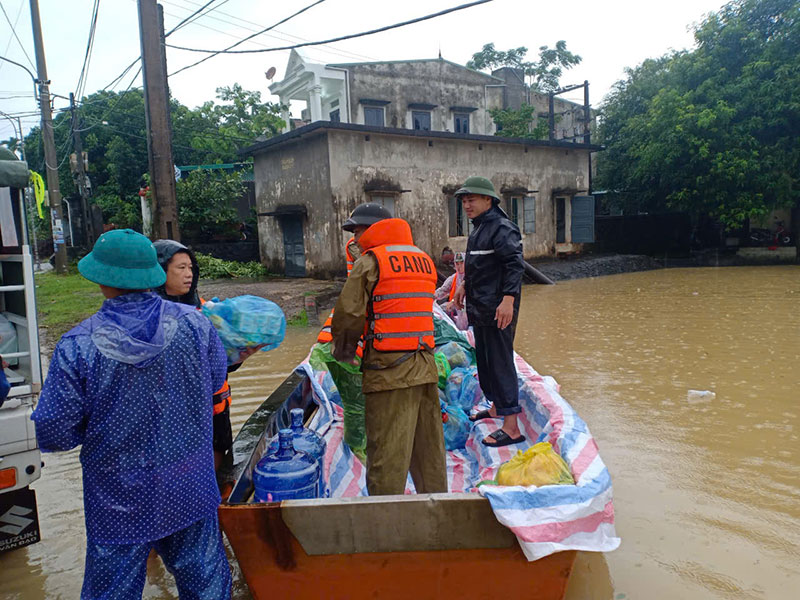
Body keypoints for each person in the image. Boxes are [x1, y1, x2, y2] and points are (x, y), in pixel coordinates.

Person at [31, 229, 231, 599]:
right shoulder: (195, 324)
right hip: (189, 484)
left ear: (101, 280)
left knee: (112, 591)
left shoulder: (78, 345)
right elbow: (215, 378)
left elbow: (54, 431)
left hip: (119, 500)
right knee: (206, 584)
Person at [331, 214, 447, 496]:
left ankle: (384, 522)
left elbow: (348, 314)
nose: (355, 240)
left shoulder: (370, 263)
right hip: (425, 365)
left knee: (386, 452)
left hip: (388, 371)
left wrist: (345, 352)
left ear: (374, 230)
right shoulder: (423, 260)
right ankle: (438, 511)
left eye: (358, 232)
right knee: (428, 451)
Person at [152, 239, 261, 471]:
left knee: (216, 477)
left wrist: (241, 354)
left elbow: (221, 365)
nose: (188, 274)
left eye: (191, 268)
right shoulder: (151, 319)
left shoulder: (205, 310)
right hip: (177, 421)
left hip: (216, 413)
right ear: (160, 271)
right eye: (181, 268)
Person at [453, 176, 526, 447]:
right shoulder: (479, 228)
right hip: (480, 305)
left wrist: (508, 299)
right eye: (463, 200)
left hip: (498, 308)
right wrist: (463, 285)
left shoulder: (502, 227)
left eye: (471, 199)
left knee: (500, 361)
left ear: (488, 200)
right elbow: (480, 265)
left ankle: (512, 428)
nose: (466, 205)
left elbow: (514, 265)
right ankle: (496, 408)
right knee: (484, 359)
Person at [316, 203, 392, 348]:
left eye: (357, 232)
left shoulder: (375, 258)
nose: (356, 240)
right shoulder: (361, 251)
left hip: (383, 347)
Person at [434, 251, 467, 330]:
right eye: (457, 264)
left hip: (467, 310)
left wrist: (453, 302)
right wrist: (429, 297)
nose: (459, 266)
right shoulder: (454, 278)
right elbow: (442, 291)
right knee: (440, 311)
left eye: (462, 263)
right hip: (455, 309)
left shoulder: (471, 277)